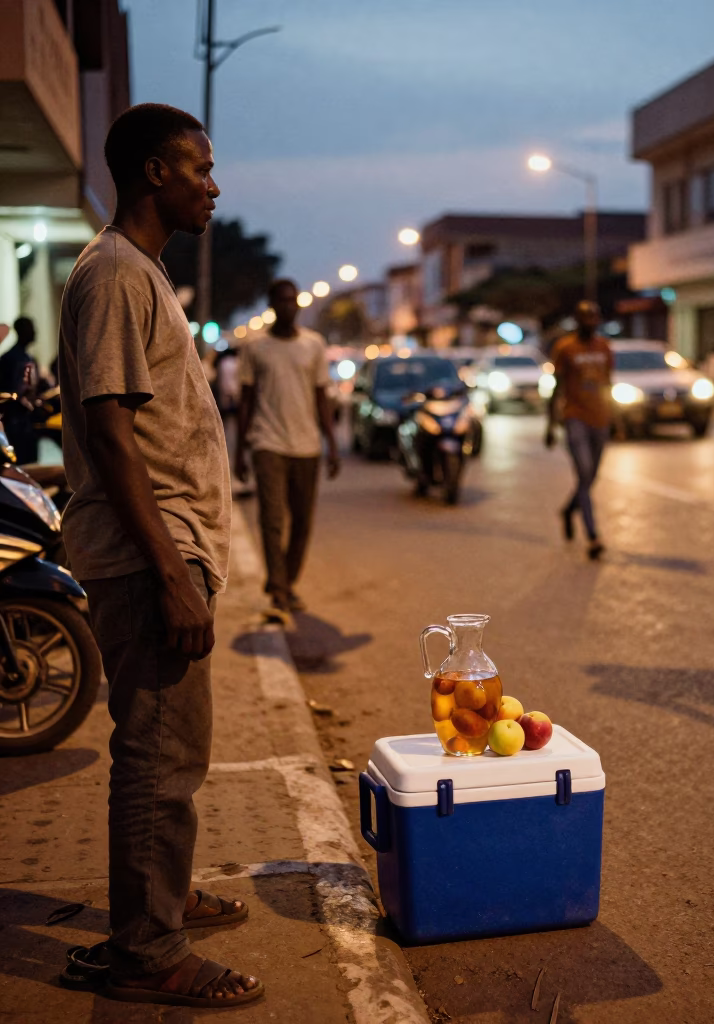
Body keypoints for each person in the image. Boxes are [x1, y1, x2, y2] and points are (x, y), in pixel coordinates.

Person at [57, 103, 263, 1007]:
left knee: (173, 749)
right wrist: (175, 574)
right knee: (157, 756)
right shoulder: (112, 273)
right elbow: (109, 433)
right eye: (199, 168)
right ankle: (148, 949)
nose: (212, 185)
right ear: (154, 173)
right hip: (151, 558)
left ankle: (161, 901)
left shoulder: (141, 274)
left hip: (169, 550)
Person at [235, 278, 340, 617]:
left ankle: (285, 580)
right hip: (268, 443)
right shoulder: (255, 347)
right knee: (272, 519)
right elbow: (246, 402)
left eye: (292, 300)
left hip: (307, 446)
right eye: (281, 300)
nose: (288, 306)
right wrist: (239, 451)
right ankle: (279, 589)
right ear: (271, 305)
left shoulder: (314, 345)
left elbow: (322, 396)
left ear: (299, 305)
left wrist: (332, 444)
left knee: (303, 522)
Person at [545, 300, 614, 560]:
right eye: (585, 317)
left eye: (593, 317)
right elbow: (555, 388)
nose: (590, 322)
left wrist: (615, 420)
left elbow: (609, 383)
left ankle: (568, 510)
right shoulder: (564, 347)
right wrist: (550, 424)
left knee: (591, 476)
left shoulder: (604, 347)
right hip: (575, 418)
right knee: (584, 472)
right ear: (577, 320)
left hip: (600, 418)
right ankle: (593, 535)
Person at [0, 316, 40, 463]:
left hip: (26, 422)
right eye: (30, 328)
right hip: (16, 424)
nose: (35, 332)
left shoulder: (26, 357)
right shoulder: (11, 359)